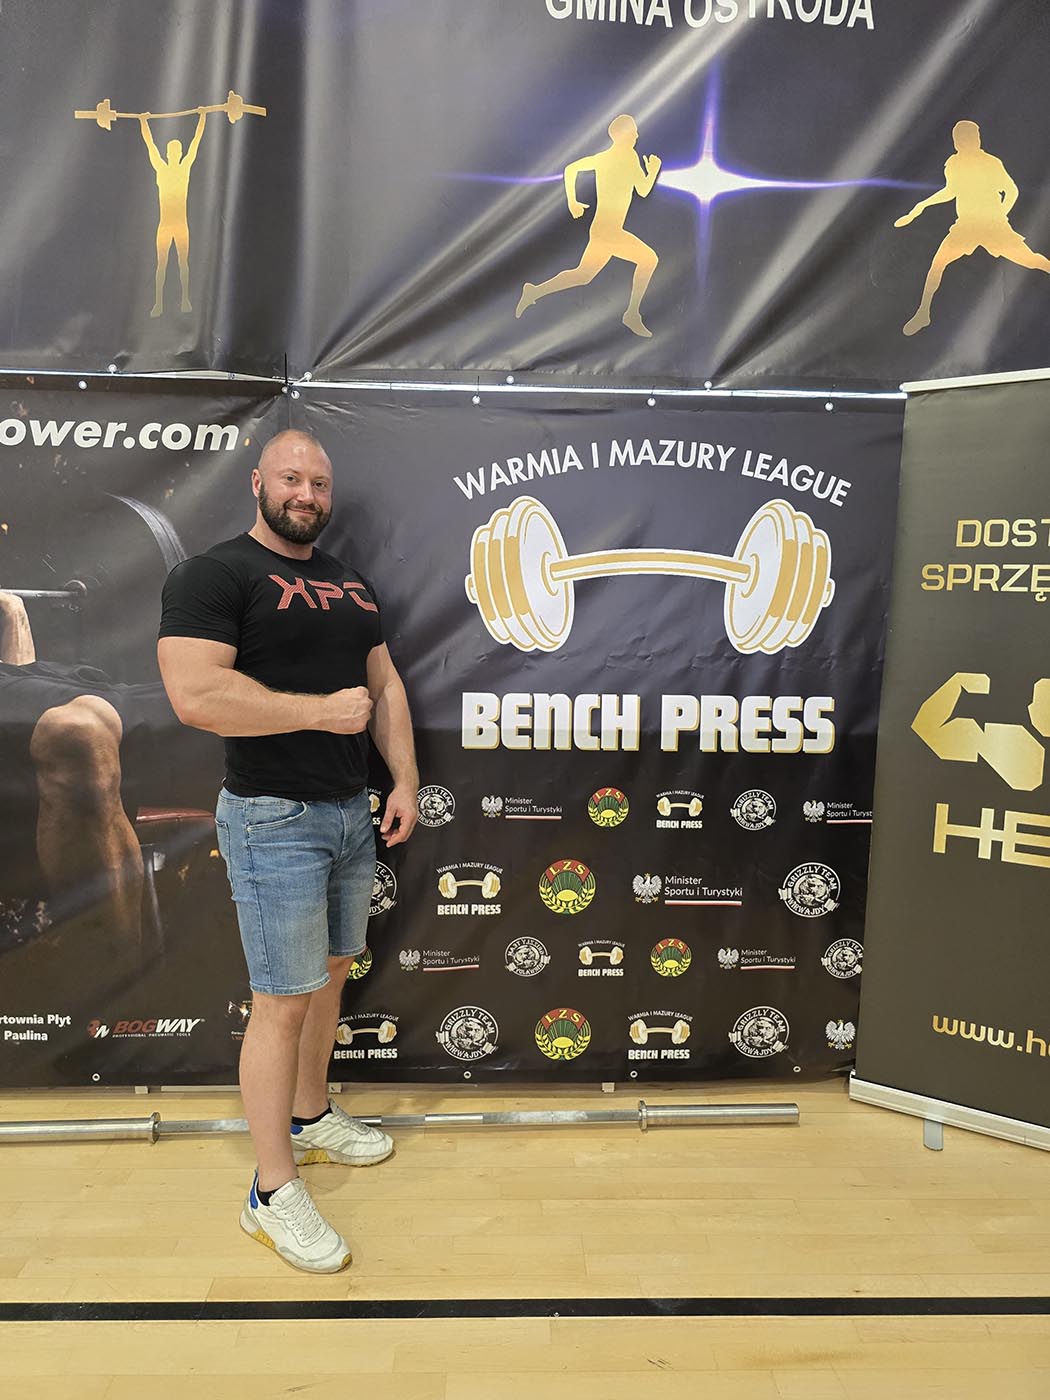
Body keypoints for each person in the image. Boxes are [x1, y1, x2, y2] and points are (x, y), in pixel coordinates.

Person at [157, 429, 418, 1275]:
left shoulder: (349, 581)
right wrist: (317, 713)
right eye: (292, 478)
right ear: (258, 483)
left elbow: (383, 683)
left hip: (349, 812)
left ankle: (310, 1117)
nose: (307, 494)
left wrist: (405, 779)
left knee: (331, 976)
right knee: (280, 1003)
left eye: (320, 483)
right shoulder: (213, 574)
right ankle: (271, 1193)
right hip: (273, 818)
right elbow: (195, 694)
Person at [0, 589, 217, 984]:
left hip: (71, 688)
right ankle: (117, 996)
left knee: (248, 704)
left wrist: (13, 613)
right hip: (77, 717)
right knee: (78, 730)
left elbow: (19, 685)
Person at [895, 120, 1050, 336]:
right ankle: (923, 313)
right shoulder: (953, 164)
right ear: (956, 141)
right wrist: (920, 207)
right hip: (966, 226)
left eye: (971, 137)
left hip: (993, 226)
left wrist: (1000, 214)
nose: (965, 142)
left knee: (1031, 260)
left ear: (977, 139)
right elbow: (951, 191)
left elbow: (1011, 190)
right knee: (937, 264)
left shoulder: (990, 163)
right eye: (960, 139)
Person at [515, 114, 661, 338]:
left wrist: (573, 201)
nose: (637, 135)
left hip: (603, 230)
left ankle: (534, 291)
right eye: (633, 132)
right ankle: (632, 314)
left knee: (582, 275)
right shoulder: (617, 158)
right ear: (622, 135)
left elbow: (572, 170)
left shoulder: (619, 158)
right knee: (649, 259)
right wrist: (653, 170)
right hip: (608, 231)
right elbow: (642, 189)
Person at [139, 110, 207, 317]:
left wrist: (203, 117)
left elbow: (196, 142)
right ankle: (158, 304)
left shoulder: (185, 167)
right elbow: (150, 145)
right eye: (172, 151)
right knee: (161, 265)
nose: (175, 153)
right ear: (169, 153)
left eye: (177, 151)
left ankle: (185, 299)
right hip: (165, 226)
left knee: (183, 263)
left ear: (179, 153)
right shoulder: (161, 168)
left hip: (181, 225)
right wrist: (143, 122)